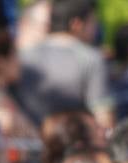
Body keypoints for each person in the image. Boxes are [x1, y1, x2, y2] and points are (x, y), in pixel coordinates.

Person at [16, 0, 115, 132]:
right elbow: (103, 118)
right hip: (75, 144)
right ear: (76, 24)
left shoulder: (22, 57)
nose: (96, 28)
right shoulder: (91, 58)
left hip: (27, 142)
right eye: (93, 22)